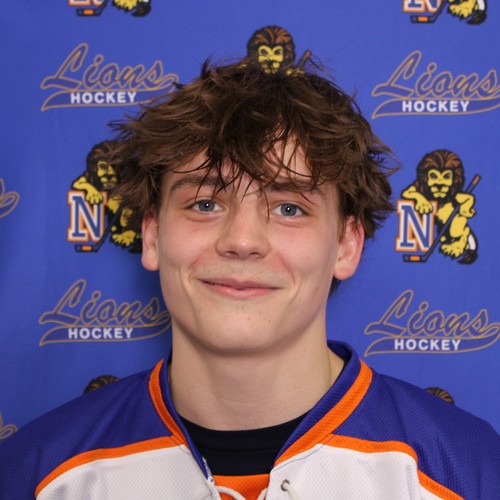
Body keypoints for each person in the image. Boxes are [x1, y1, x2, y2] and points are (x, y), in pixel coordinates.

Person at [1, 59, 499, 500]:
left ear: (346, 245)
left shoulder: (468, 468)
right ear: (151, 234)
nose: (242, 240)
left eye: (288, 208)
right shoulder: (38, 474)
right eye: (205, 204)